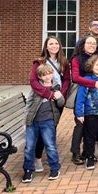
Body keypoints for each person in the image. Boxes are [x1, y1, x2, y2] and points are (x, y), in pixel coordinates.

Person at [29, 35, 70, 173]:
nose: (54, 46)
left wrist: (60, 94)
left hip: (58, 100)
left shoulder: (63, 62)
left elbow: (66, 81)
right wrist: (49, 94)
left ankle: (49, 154)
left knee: (51, 127)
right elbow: (33, 82)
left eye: (56, 44)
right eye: (51, 44)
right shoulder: (39, 62)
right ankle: (38, 157)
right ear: (46, 46)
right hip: (43, 100)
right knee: (42, 130)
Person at [22, 64, 63, 183]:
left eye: (49, 73)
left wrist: (59, 97)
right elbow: (28, 105)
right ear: (40, 76)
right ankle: (28, 170)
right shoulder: (36, 89)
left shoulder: (56, 88)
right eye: (44, 75)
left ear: (52, 74)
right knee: (29, 147)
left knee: (50, 145)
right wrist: (25, 121)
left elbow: (61, 104)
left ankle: (54, 168)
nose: (47, 76)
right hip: (33, 121)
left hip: (48, 122)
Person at [70, 36, 98, 165]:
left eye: (94, 43)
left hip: (95, 96)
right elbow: (75, 77)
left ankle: (87, 152)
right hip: (82, 93)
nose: (91, 45)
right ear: (83, 44)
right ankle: (75, 152)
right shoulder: (76, 59)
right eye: (89, 43)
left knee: (91, 125)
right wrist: (93, 83)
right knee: (80, 123)